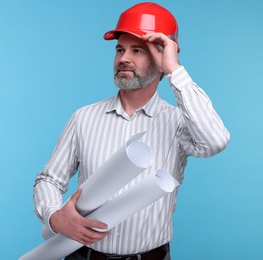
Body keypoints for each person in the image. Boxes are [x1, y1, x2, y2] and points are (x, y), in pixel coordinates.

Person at [33, 2, 230, 260]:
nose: (123, 58)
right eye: (120, 49)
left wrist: (175, 71)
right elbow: (48, 180)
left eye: (137, 50)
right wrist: (55, 217)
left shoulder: (178, 123)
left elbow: (214, 142)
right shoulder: (84, 118)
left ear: (161, 58)